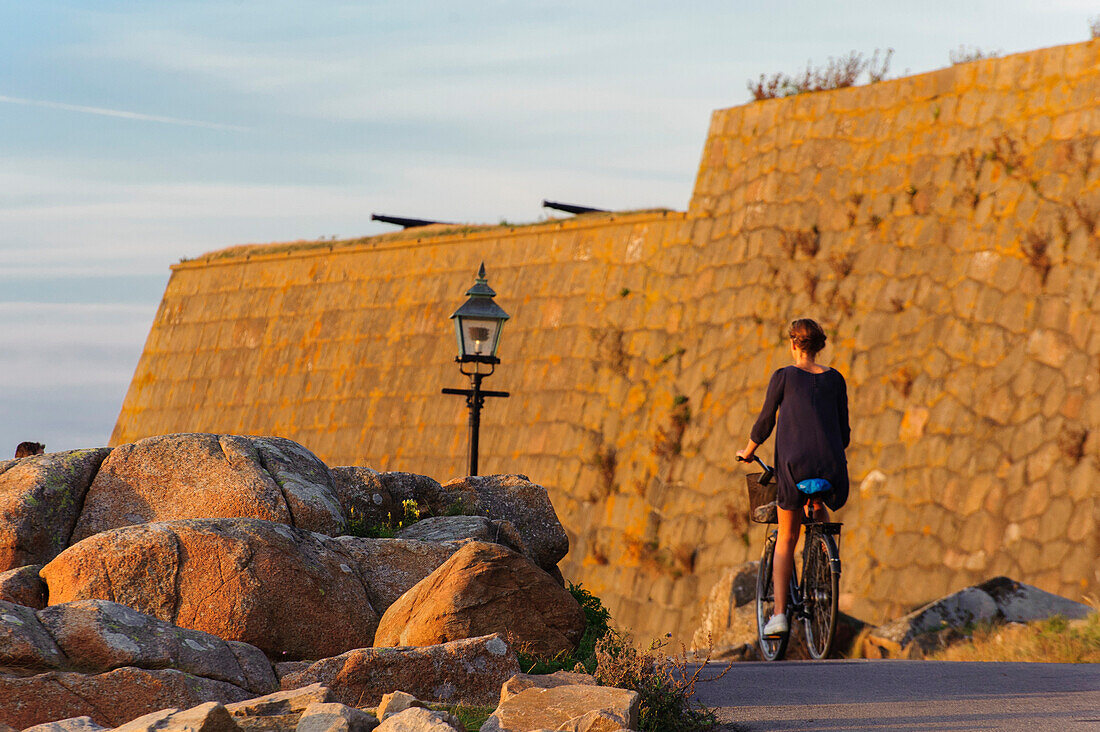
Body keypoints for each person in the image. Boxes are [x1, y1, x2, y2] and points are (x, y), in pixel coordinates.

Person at [736, 318, 850, 637]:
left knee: (786, 537)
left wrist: (748, 451)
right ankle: (823, 574)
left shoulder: (784, 376)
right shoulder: (836, 379)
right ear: (820, 346)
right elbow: (844, 433)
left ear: (793, 344)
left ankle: (779, 615)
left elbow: (765, 421)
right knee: (817, 509)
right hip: (831, 467)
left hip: (793, 466)